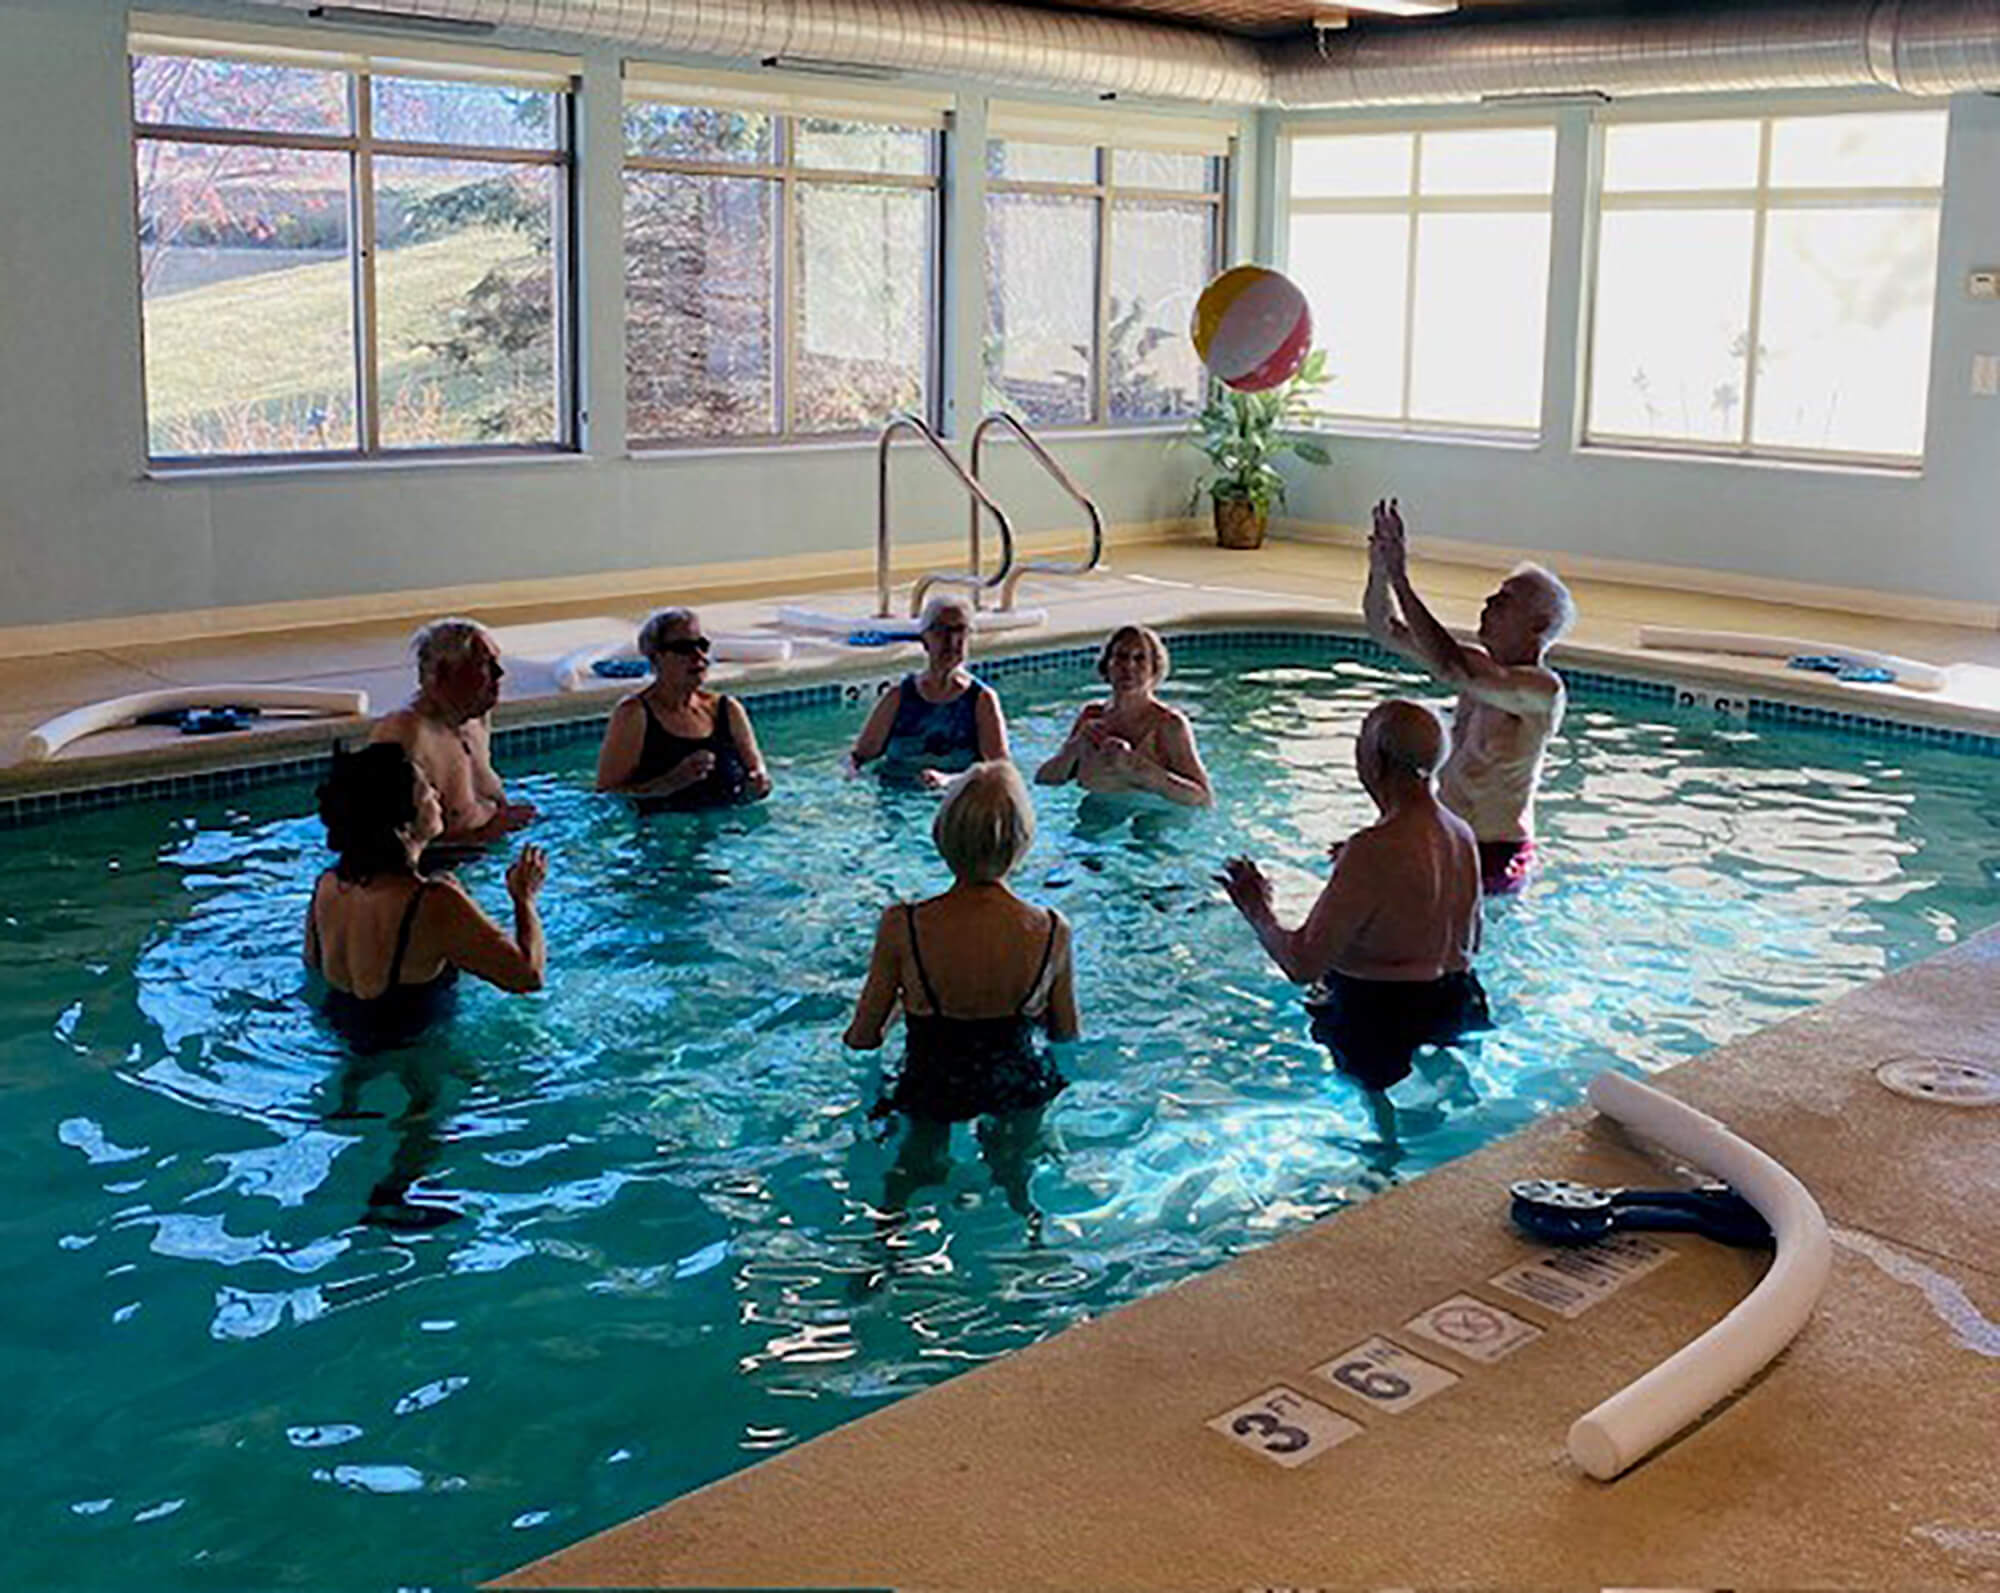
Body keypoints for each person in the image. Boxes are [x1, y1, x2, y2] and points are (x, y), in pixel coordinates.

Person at [1219, 700, 1488, 1132]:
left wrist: (1255, 906)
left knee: (1383, 1140)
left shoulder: (1374, 849)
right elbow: (1471, 940)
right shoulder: (1460, 833)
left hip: (1383, 1020)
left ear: (1375, 759)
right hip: (1459, 1006)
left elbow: (1301, 964)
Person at [845, 761, 1078, 1234]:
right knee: (1018, 1174)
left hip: (933, 1081)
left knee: (907, 1175)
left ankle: (880, 1258)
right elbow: (1065, 1034)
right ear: (1024, 843)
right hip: (1018, 1081)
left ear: (941, 836)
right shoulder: (1051, 929)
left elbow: (863, 1037)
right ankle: (1033, 1237)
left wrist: (902, 1006)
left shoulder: (903, 924)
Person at [1362, 498, 1570, 895]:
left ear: (1538, 624)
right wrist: (1380, 571)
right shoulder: (1479, 669)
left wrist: (1403, 581)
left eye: (1504, 601)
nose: (1488, 604)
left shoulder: (1543, 691)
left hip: (1497, 856)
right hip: (1446, 838)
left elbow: (1451, 668)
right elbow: (1383, 628)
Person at [305, 742, 547, 1059]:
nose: (437, 795)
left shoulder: (326, 886)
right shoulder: (433, 900)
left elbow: (312, 971)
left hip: (345, 1047)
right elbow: (527, 977)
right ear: (403, 824)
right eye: (427, 791)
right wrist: (523, 899)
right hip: (418, 1063)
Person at [370, 617, 534, 849]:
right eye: (485, 664)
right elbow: (377, 840)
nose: (499, 674)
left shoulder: (474, 718)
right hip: (441, 871)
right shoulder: (404, 732)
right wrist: (484, 834)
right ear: (444, 673)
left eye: (497, 662)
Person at [595, 608, 772, 810]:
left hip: (730, 832)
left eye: (702, 645)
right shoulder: (634, 714)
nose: (698, 655)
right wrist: (670, 782)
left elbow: (758, 772)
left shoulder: (728, 709)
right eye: (683, 648)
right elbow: (606, 795)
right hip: (664, 833)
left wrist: (758, 784)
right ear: (656, 657)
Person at [1036, 625, 1212, 808]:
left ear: (1154, 668)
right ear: (1107, 664)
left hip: (1152, 818)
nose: (1129, 666)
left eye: (1140, 658)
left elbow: (1202, 798)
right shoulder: (1092, 716)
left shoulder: (1168, 725)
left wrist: (1140, 770)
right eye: (1121, 656)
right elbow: (1045, 780)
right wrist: (1075, 747)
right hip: (1095, 816)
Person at [848, 593, 1009, 787]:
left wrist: (949, 780)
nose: (952, 640)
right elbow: (858, 758)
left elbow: (1000, 772)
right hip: (897, 802)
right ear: (925, 639)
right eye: (941, 630)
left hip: (953, 803)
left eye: (960, 630)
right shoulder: (898, 697)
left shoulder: (981, 700)